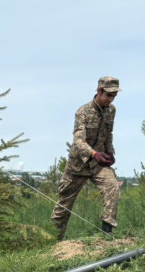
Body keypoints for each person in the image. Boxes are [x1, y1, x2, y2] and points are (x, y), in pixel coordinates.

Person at [51, 76, 122, 240]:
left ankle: (107, 233)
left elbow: (108, 134)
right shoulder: (82, 112)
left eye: (114, 96)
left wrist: (110, 152)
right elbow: (78, 141)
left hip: (98, 165)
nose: (111, 99)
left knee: (113, 188)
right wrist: (94, 154)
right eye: (108, 95)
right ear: (99, 91)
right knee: (64, 205)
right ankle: (52, 241)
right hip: (78, 165)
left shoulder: (111, 110)